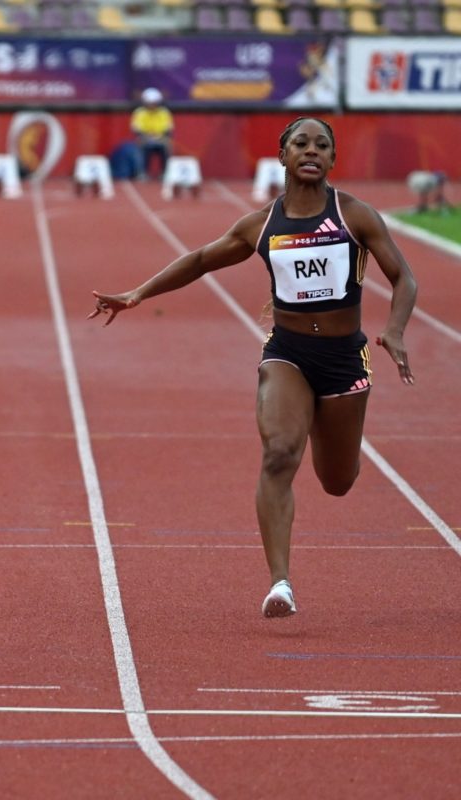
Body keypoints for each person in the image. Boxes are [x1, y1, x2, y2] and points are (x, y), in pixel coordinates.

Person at [89, 117, 417, 619]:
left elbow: (404, 278)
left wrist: (394, 330)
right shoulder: (263, 225)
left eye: (322, 145)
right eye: (301, 143)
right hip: (287, 352)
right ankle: (280, 583)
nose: (312, 151)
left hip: (344, 358)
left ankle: (332, 445)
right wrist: (137, 294)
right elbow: (201, 259)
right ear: (282, 155)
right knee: (280, 453)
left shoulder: (355, 216)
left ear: (332, 159)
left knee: (337, 481)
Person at [130, 87, 173, 180]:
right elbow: (136, 128)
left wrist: (158, 136)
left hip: (160, 138)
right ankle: (142, 173)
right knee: (141, 145)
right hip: (145, 138)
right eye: (150, 103)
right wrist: (147, 136)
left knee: (167, 145)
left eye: (154, 103)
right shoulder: (139, 112)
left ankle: (165, 173)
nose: (152, 105)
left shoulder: (164, 112)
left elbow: (168, 129)